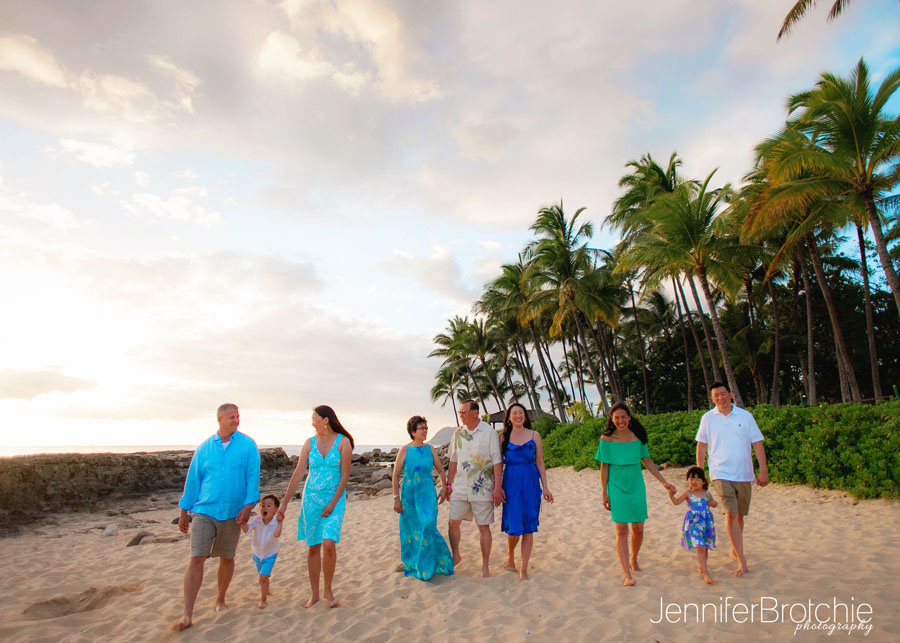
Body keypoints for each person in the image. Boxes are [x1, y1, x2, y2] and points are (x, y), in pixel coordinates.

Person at [174, 403, 260, 631]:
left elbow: (252, 479)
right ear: (220, 419)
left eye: (238, 416)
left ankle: (220, 599)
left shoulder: (248, 446)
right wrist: (184, 511)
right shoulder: (204, 449)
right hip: (204, 511)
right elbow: (193, 481)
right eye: (231, 417)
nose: (236, 420)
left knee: (227, 557)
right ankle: (187, 614)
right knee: (197, 558)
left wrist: (249, 505)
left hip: (233, 512)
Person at [277, 405, 353, 608]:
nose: (312, 422)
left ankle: (328, 590)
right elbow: (298, 473)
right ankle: (315, 594)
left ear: (326, 420)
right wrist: (284, 504)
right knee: (313, 547)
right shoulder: (309, 443)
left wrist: (333, 502)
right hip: (311, 500)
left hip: (334, 499)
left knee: (328, 544)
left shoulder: (343, 442)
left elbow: (345, 475)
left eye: (315, 418)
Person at [595, 402, 675, 586]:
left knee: (638, 528)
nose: (620, 421)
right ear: (612, 420)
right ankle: (626, 573)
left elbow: (647, 461)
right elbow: (604, 467)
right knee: (621, 529)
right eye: (617, 418)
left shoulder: (637, 437)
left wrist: (664, 482)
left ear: (629, 418)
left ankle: (634, 558)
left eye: (624, 417)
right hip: (616, 486)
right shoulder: (606, 439)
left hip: (636, 486)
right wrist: (604, 493)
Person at [695, 381, 768, 577]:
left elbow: (757, 444)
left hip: (744, 474)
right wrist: (700, 473)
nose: (720, 398)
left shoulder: (745, 416)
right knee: (731, 515)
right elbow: (701, 446)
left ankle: (735, 549)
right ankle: (742, 560)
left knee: (739, 515)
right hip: (720, 473)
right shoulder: (708, 418)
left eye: (723, 394)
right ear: (712, 399)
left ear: (730, 394)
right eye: (716, 395)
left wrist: (763, 471)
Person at [391, 415, 454, 581]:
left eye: (426, 428)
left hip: (427, 493)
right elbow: (396, 475)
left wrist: (444, 489)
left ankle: (428, 565)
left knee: (427, 525)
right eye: (422, 428)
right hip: (409, 495)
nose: (425, 431)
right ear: (413, 431)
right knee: (411, 529)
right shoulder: (405, 450)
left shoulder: (430, 449)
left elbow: (441, 470)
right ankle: (413, 562)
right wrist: (396, 498)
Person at [447, 399, 504, 578]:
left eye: (464, 412)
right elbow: (453, 460)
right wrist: (448, 485)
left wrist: (497, 488)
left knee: (483, 527)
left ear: (475, 413)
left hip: (483, 487)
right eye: (460, 412)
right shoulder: (458, 433)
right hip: (460, 487)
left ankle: (485, 565)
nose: (461, 415)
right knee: (453, 521)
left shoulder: (489, 432)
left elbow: (497, 460)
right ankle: (456, 555)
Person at [499, 403, 554, 582]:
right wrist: (497, 487)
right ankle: (510, 556)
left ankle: (523, 568)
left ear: (525, 416)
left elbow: (540, 462)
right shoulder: (503, 437)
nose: (517, 416)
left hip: (530, 482)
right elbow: (498, 464)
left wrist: (545, 486)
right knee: (514, 528)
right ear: (508, 417)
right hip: (511, 482)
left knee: (529, 526)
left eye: (520, 413)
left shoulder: (534, 435)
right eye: (514, 413)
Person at [668, 467, 717, 584]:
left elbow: (715, 504)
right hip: (693, 523)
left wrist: (712, 503)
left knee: (705, 547)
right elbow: (676, 502)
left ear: (703, 481)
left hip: (706, 523)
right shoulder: (688, 494)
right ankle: (706, 574)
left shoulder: (707, 494)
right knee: (699, 546)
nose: (693, 482)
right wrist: (671, 495)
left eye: (697, 479)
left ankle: (702, 566)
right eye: (691, 479)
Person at [241, 494, 283, 608]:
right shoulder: (257, 521)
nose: (264, 508)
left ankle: (263, 599)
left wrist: (280, 523)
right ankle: (267, 590)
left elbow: (276, 534)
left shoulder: (275, 523)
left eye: (268, 506)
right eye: (262, 505)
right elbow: (247, 530)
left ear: (275, 510)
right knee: (262, 577)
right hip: (257, 553)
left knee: (264, 576)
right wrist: (242, 522)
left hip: (270, 554)